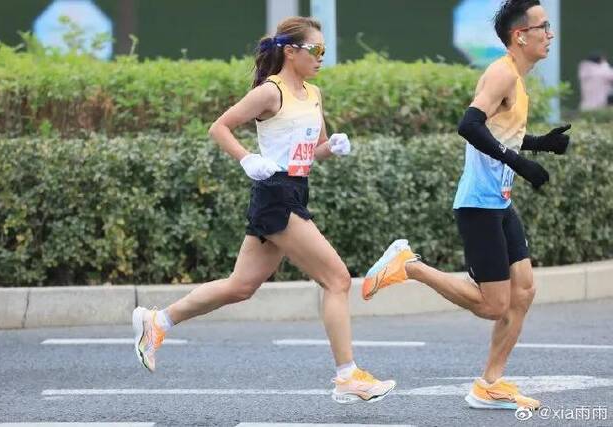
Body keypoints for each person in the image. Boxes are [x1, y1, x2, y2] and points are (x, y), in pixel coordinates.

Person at [132, 16, 395, 405]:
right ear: (291, 52)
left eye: (324, 50)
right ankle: (347, 376)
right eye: (316, 50)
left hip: (295, 189)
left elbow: (312, 150)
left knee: (241, 287)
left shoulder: (314, 93)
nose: (322, 57)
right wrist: (245, 159)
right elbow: (219, 127)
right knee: (337, 280)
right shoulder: (270, 93)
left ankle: (158, 321)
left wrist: (332, 147)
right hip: (275, 193)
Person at [361, 0, 571, 411]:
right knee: (494, 305)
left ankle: (489, 384)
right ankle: (410, 266)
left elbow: (501, 133)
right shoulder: (501, 72)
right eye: (543, 27)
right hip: (478, 204)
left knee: (524, 291)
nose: (550, 34)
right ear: (519, 35)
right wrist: (519, 162)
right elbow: (468, 126)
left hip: (499, 203)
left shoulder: (516, 79)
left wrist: (540, 144)